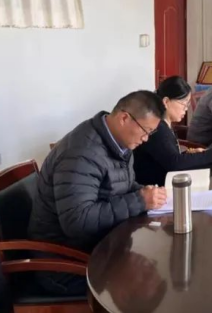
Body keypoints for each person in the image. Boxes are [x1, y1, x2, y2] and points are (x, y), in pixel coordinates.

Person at [28, 91, 169, 296]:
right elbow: (77, 221)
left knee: (158, 256)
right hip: (65, 263)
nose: (146, 139)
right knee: (140, 288)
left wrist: (144, 192)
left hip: (100, 246)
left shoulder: (117, 142)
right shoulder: (82, 153)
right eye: (145, 131)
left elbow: (120, 185)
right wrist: (139, 201)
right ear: (124, 118)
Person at [133, 76, 212, 186]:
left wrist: (188, 154)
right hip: (153, 189)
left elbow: (166, 155)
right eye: (184, 103)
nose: (186, 109)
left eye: (187, 104)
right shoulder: (157, 127)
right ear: (166, 101)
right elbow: (174, 163)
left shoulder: (164, 124)